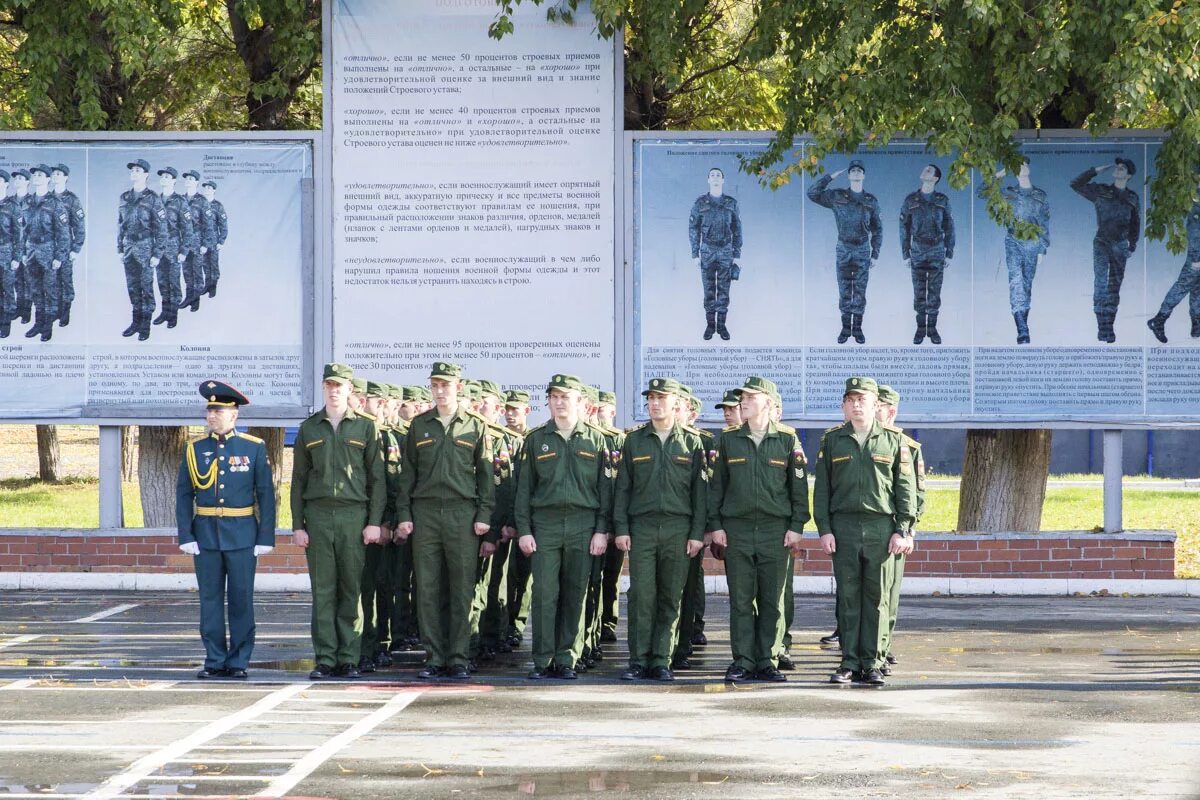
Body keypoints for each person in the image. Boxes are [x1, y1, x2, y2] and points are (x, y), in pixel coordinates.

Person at [813, 377, 917, 686]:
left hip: (880, 528)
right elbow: (822, 491)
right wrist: (825, 529)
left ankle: (872, 662)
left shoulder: (894, 440)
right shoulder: (832, 441)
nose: (857, 405)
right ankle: (849, 662)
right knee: (848, 597)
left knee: (876, 599)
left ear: (876, 406)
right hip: (844, 528)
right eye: (851, 400)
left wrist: (902, 529)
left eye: (863, 400)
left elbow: (904, 489)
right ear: (844, 405)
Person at [396, 361, 495, 680]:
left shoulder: (475, 426)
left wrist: (484, 516)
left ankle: (459, 656)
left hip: (462, 514)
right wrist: (404, 515)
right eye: (435, 385)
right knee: (427, 587)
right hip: (425, 514)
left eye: (446, 385)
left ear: (459, 387)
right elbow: (407, 474)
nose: (440, 391)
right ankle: (435, 656)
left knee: (462, 587)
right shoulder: (420, 425)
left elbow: (486, 477)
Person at [707, 376, 809, 682]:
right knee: (740, 599)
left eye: (751, 397)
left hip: (774, 530)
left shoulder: (788, 440)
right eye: (743, 398)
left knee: (772, 600)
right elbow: (715, 488)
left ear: (768, 402)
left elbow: (799, 488)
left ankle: (768, 659)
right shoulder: (727, 440)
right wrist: (716, 526)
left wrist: (796, 526)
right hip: (737, 530)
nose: (743, 402)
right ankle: (743, 659)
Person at [290, 363, 385, 679]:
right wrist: (297, 525)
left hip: (353, 516)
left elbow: (377, 479)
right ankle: (326, 658)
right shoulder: (309, 428)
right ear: (323, 388)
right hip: (317, 517)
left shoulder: (365, 428)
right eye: (329, 385)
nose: (334, 391)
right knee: (323, 590)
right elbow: (298, 480)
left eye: (339, 386)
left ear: (349, 391)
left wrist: (374, 521)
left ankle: (349, 656)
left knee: (351, 589)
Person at [515, 374, 613, 679]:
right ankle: (542, 660)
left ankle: (568, 658)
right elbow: (523, 490)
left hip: (584, 526)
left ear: (580, 401)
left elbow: (605, 491)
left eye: (565, 397)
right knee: (545, 594)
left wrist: (601, 529)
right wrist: (524, 529)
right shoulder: (536, 439)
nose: (558, 402)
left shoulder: (596, 440)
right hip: (545, 525)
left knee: (576, 593)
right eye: (554, 397)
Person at [176, 380, 275, 679]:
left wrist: (265, 536)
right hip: (205, 535)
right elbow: (184, 494)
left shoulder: (253, 448)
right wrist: (186, 535)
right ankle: (215, 660)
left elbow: (266, 494)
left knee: (242, 600)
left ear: (234, 415)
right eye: (209, 411)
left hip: (243, 534)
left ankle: (239, 661)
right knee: (210, 601)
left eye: (218, 411)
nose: (211, 416)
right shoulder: (195, 450)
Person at [614, 378, 706, 681]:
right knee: (641, 595)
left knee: (670, 596)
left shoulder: (692, 442)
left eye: (661, 398)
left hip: (678, 530)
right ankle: (638, 660)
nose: (654, 404)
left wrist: (696, 533)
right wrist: (622, 528)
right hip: (642, 527)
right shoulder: (635, 441)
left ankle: (662, 659)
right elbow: (623, 489)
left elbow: (699, 494)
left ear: (676, 403)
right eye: (651, 398)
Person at [875, 385, 925, 674]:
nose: (874, 410)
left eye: (879, 406)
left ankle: (883, 645)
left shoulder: (908, 446)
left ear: (891, 411)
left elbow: (916, 494)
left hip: (895, 528)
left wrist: (908, 531)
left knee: (888, 595)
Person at [807, 160, 882, 344]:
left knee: (860, 290)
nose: (856, 172)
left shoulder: (871, 201)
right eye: (853, 170)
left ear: (863, 176)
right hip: (844, 248)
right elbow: (812, 193)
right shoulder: (837, 196)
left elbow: (877, 229)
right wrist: (830, 177)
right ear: (849, 175)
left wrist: (875, 254)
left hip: (863, 249)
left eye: (859, 170)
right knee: (845, 289)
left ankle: (857, 329)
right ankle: (845, 329)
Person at [1071, 158, 1140, 343]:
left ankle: (1109, 324)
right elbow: (1075, 184)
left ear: (1129, 175)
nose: (1118, 168)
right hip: (1102, 242)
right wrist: (1095, 169)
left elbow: (1135, 224)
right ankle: (1103, 327)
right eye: (1117, 166)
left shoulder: (1132, 198)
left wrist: (1132, 245)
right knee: (1100, 284)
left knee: (1114, 287)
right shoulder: (1101, 191)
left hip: (1120, 246)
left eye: (1123, 167)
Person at [983, 160, 1050, 344]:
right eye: (1016, 165)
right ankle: (1022, 330)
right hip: (1014, 241)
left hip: (1034, 243)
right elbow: (982, 191)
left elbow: (1044, 222)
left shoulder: (1040, 195)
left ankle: (1023, 326)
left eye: (1023, 164)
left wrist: (1042, 248)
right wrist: (1002, 172)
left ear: (1029, 168)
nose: (1020, 167)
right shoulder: (1008, 193)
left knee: (1026, 285)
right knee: (1016, 281)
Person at [900, 164, 955, 345]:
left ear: (936, 178)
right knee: (919, 291)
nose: (924, 171)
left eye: (929, 171)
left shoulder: (942, 200)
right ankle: (920, 328)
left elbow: (950, 227)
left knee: (934, 291)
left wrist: (949, 252)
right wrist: (905, 253)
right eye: (924, 169)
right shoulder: (911, 200)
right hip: (917, 249)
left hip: (937, 249)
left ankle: (932, 329)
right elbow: (904, 228)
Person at [689, 167, 742, 341]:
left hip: (726, 250)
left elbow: (737, 229)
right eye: (712, 175)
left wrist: (738, 254)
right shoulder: (700, 203)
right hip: (707, 251)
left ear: (723, 180)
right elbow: (693, 229)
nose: (716, 177)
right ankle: (710, 326)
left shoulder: (731, 203)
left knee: (724, 290)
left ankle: (722, 326)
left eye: (719, 175)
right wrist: (695, 254)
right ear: (708, 180)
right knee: (709, 289)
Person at [21, 165, 70, 342]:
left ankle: (47, 327)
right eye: (34, 174)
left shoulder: (55, 203)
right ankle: (38, 322)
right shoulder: (27, 202)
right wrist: (23, 253)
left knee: (50, 290)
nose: (36, 177)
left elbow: (63, 234)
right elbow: (23, 231)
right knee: (35, 289)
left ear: (48, 179)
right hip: (31, 251)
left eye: (40, 175)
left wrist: (58, 256)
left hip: (48, 252)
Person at [117, 159, 165, 341]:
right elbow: (120, 225)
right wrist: (120, 248)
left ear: (146, 174)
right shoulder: (124, 197)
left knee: (146, 287)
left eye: (138, 170)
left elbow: (161, 229)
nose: (134, 173)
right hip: (129, 247)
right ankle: (135, 322)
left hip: (145, 248)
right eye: (133, 170)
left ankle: (145, 325)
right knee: (133, 287)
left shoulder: (153, 199)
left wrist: (157, 254)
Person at [1147, 185, 1200, 344]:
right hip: (1197, 255)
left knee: (1197, 287)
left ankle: (1196, 325)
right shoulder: (1196, 204)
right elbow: (1195, 232)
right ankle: (1159, 319)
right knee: (1183, 285)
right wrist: (1197, 259)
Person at [502, 389, 534, 648]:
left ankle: (517, 623)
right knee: (503, 577)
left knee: (524, 576)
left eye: (516, 409)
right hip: (504, 517)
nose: (511, 414)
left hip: (527, 519)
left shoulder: (535, 439)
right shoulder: (498, 438)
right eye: (508, 409)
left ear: (527, 410)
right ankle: (502, 623)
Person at [154, 167, 192, 329]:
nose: (164, 178)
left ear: (174, 181)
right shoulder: (155, 200)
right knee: (162, 281)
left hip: (174, 249)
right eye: (162, 176)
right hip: (157, 249)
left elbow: (188, 229)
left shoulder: (180, 202)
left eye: (167, 176)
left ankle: (173, 315)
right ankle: (165, 311)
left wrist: (184, 251)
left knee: (174, 281)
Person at [49, 164, 84, 328]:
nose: (55, 176)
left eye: (58, 174)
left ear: (65, 178)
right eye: (53, 173)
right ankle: (54, 310)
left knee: (65, 280)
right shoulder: (46, 198)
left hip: (65, 247)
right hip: (47, 247)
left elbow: (79, 227)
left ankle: (65, 312)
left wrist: (76, 248)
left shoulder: (72, 199)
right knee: (51, 281)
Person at [179, 169, 215, 312]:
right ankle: (188, 297)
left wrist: (205, 244)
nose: (188, 181)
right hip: (183, 242)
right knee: (186, 271)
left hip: (198, 242)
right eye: (186, 178)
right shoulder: (180, 199)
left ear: (196, 182)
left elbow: (209, 225)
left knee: (197, 271)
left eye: (191, 179)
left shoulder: (202, 201)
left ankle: (196, 300)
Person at [0, 171, 22, 339]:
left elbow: (18, 235)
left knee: (7, 288)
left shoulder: (13, 206)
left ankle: (6, 323)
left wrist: (16, 257)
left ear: (6, 184)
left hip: (6, 252)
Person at [201, 179, 227, 297]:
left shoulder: (218, 206)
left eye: (209, 188)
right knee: (205, 263)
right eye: (205, 187)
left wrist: (221, 241)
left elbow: (223, 225)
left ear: (214, 190)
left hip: (214, 241)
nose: (206, 190)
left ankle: (213, 287)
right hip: (202, 241)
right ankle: (207, 285)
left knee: (213, 264)